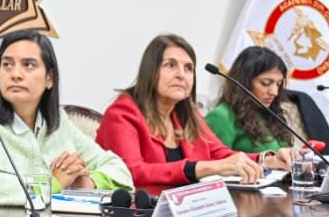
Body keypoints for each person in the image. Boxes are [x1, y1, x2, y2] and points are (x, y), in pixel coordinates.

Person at [0, 29, 133, 208]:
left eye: (28, 65)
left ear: (49, 78)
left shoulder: (58, 123)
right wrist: (53, 184)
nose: (15, 74)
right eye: (7, 64)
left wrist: (88, 183)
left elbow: (118, 170)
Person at [95, 33, 292, 186]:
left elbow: (219, 154)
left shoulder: (187, 113)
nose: (181, 75)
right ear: (150, 71)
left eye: (189, 68)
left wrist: (267, 160)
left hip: (189, 212)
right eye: (170, 65)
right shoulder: (122, 114)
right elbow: (131, 172)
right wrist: (202, 168)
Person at [205, 45, 329, 155]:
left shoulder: (270, 112)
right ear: (244, 81)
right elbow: (215, 167)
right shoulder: (221, 116)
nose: (274, 92)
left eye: (278, 84)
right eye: (266, 83)